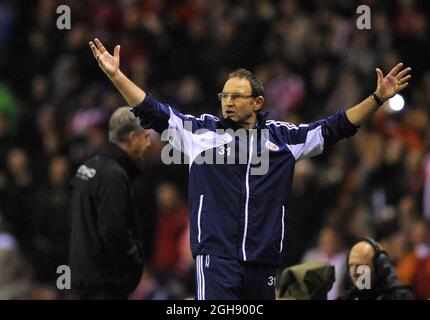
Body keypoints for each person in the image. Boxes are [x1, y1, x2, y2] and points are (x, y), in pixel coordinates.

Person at [89, 38, 411, 300]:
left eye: (236, 96)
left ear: (257, 103)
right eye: (224, 95)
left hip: (263, 263)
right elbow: (153, 112)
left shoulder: (285, 140)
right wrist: (117, 75)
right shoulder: (200, 134)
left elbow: (336, 127)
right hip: (217, 260)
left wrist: (377, 98)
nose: (227, 102)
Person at [68, 107, 151, 300]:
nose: (148, 144)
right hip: (105, 286)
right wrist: (135, 261)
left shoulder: (88, 166)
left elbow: (72, 218)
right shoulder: (113, 175)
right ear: (132, 137)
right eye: (145, 137)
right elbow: (114, 231)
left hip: (86, 281)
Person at [338, 237, 415, 300]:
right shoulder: (347, 298)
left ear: (379, 266)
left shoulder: (400, 297)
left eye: (361, 266)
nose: (354, 272)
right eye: (351, 265)